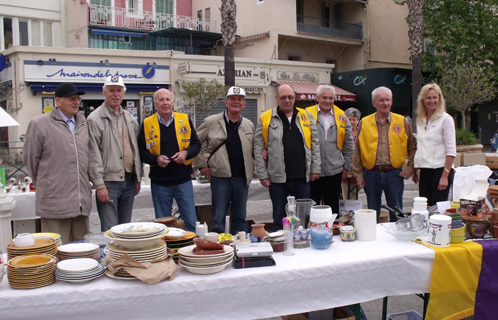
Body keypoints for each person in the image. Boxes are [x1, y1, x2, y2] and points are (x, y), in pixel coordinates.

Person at [23, 83, 92, 244]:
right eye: (71, 99)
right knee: (56, 250)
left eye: (78, 98)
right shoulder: (39, 124)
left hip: (80, 203)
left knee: (80, 251)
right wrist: (47, 185)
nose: (76, 102)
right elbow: (31, 160)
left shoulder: (84, 124)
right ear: (58, 101)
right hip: (54, 202)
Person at [254, 84, 321, 231]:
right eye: (283, 97)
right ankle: (281, 247)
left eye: (290, 97)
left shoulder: (306, 116)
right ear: (276, 98)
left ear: (294, 98)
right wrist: (263, 174)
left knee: (303, 219)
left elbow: (314, 144)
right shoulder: (266, 118)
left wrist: (315, 169)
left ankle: (302, 249)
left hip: (302, 178)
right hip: (277, 179)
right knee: (279, 218)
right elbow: (258, 148)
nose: (287, 100)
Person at [193, 87, 255, 234]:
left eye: (239, 99)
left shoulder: (248, 124)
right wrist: (201, 165)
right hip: (220, 177)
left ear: (244, 104)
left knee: (240, 217)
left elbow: (254, 149)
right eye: (232, 99)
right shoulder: (211, 122)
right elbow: (195, 142)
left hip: (242, 178)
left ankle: (239, 246)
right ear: (226, 102)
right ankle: (220, 248)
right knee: (219, 217)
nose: (236, 102)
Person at [138, 88, 201, 232]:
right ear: (155, 103)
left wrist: (185, 153)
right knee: (162, 224)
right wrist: (156, 159)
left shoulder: (184, 119)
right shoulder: (147, 123)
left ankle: (191, 250)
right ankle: (166, 252)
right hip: (160, 183)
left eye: (168, 99)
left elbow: (196, 145)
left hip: (183, 180)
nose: (165, 103)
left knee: (191, 220)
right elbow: (141, 151)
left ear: (173, 102)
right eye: (161, 100)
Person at [351, 86, 417, 222]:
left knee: (396, 211)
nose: (385, 103)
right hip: (371, 173)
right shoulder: (364, 122)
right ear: (373, 103)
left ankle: (396, 239)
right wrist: (358, 175)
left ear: (392, 101)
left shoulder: (403, 122)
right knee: (372, 212)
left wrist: (410, 167)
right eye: (381, 100)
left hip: (395, 173)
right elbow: (357, 151)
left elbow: (413, 147)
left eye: (387, 100)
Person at [87, 76, 142, 232]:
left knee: (126, 228)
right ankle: (111, 257)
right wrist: (99, 184)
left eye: (119, 90)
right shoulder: (95, 119)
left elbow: (135, 150)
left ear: (124, 93)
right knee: (110, 230)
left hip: (129, 180)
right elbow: (93, 154)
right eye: (111, 90)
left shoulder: (130, 119)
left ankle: (124, 256)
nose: (115, 94)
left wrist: (137, 177)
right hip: (108, 182)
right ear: (104, 92)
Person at [306, 85, 354, 214]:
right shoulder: (306, 114)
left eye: (331, 98)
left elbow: (349, 144)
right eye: (324, 97)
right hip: (312, 172)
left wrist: (346, 167)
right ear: (317, 98)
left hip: (334, 171)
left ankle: (332, 233)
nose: (327, 101)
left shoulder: (341, 116)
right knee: (312, 210)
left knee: (332, 210)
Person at [412, 83, 456, 206]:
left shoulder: (446, 119)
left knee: (438, 209)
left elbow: (451, 150)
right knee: (425, 207)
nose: (432, 101)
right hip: (425, 171)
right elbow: (420, 146)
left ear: (439, 99)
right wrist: (416, 168)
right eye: (428, 98)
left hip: (441, 170)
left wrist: (445, 176)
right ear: (423, 100)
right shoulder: (420, 121)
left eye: (435, 97)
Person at [342, 107, 362, 200]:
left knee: (355, 192)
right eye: (349, 119)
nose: (352, 122)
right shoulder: (342, 132)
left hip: (359, 167)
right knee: (347, 193)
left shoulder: (362, 132)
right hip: (347, 167)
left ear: (358, 121)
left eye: (354, 119)